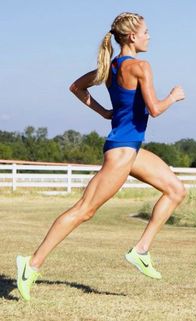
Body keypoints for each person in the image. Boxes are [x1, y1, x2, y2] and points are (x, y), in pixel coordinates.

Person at [16, 12, 186, 301]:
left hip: (130, 148)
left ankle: (140, 251)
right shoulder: (141, 66)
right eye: (146, 31)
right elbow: (154, 109)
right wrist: (173, 96)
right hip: (122, 151)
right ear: (132, 36)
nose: (149, 36)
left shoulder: (110, 67)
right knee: (85, 209)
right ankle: (31, 265)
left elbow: (76, 87)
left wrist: (106, 112)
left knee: (176, 190)